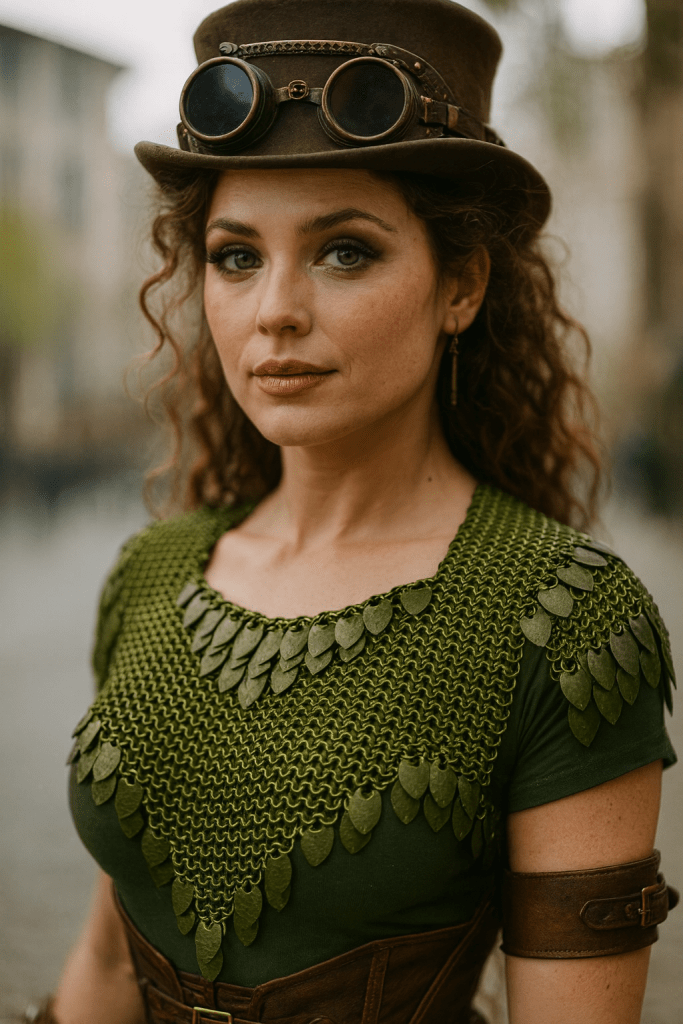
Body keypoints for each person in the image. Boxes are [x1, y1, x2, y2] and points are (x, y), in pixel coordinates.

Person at [38, 1, 678, 1023]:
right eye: (236, 255)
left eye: (344, 251)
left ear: (459, 284)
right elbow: (110, 964)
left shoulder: (564, 623)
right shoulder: (150, 574)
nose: (274, 309)